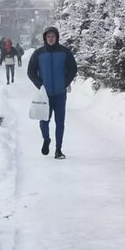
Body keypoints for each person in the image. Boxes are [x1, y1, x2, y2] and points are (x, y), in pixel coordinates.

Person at [27, 26, 77, 159]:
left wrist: (65, 83)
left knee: (60, 122)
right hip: (45, 95)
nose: (51, 38)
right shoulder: (38, 53)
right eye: (48, 36)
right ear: (45, 38)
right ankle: (46, 139)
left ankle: (58, 150)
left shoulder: (65, 52)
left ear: (57, 37)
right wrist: (40, 85)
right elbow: (30, 72)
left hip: (60, 94)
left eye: (53, 36)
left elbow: (73, 69)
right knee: (44, 120)